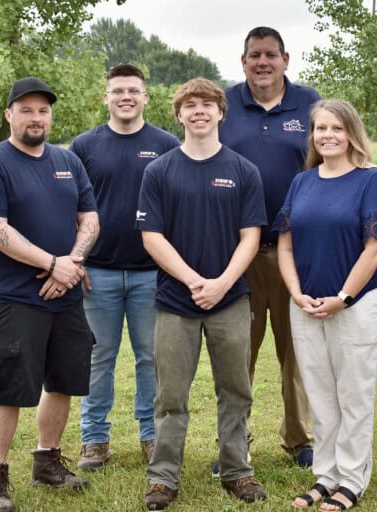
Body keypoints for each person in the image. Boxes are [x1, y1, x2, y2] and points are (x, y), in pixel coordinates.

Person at [0, 77, 100, 512]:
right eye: (26, 110)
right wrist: (52, 263)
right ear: (9, 115)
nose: (36, 117)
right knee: (7, 387)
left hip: (65, 295)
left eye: (43, 110)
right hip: (14, 298)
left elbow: (90, 220)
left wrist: (71, 264)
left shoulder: (67, 161)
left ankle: (47, 461)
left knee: (63, 380)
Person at [136, 77, 268, 510]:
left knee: (236, 390)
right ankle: (163, 478)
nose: (199, 111)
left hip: (230, 299)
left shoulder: (243, 171)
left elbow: (251, 237)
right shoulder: (159, 171)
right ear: (178, 114)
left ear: (220, 113)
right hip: (176, 302)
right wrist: (194, 281)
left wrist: (221, 283)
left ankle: (237, 471)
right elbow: (152, 237)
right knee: (170, 395)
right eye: (190, 105)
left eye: (207, 104)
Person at [275, 99, 377, 511]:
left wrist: (343, 297)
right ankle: (326, 476)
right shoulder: (302, 182)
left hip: (357, 304)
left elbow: (376, 246)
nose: (327, 135)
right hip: (306, 304)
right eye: (320, 128)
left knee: (354, 393)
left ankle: (352, 479)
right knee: (320, 393)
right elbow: (286, 242)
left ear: (352, 133)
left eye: (336, 128)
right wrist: (295, 292)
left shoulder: (370, 180)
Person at [220, 26, 321, 470]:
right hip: (236, 251)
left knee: (295, 351)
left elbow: (328, 159)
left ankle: (299, 439)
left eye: (270, 55)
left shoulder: (309, 102)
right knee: (238, 353)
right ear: (243, 61)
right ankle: (235, 443)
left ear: (286, 59)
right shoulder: (224, 105)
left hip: (294, 251)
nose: (262, 62)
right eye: (254, 55)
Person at [69, 64, 180, 470]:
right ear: (106, 98)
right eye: (118, 91)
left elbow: (177, 206)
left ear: (146, 97)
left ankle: (151, 435)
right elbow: (70, 209)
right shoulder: (84, 145)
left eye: (133, 90)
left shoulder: (167, 144)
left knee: (152, 357)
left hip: (152, 272)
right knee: (98, 356)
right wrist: (74, 259)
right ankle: (94, 438)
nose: (126, 97)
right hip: (96, 272)